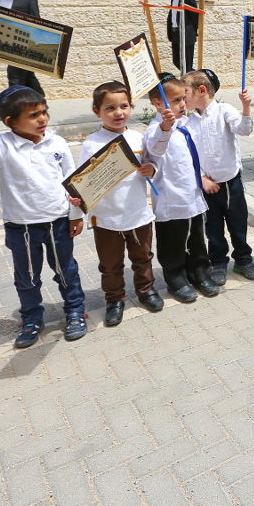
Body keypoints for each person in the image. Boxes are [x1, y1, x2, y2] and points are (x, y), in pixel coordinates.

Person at [0, 86, 88, 349]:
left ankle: (75, 310)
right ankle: (31, 318)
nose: (42, 119)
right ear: (10, 122)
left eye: (44, 112)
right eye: (33, 115)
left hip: (58, 221)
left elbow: (73, 181)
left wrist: (76, 214)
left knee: (66, 270)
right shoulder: (2, 146)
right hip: (22, 226)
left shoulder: (57, 142)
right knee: (27, 277)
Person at [77, 82, 163, 328]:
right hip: (106, 218)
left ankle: (146, 290)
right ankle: (114, 299)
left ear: (131, 107)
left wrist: (151, 168)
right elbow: (82, 181)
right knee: (110, 264)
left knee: (143, 256)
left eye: (124, 106)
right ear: (97, 111)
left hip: (138, 212)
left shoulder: (138, 137)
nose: (118, 113)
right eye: (110, 108)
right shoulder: (92, 143)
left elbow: (153, 162)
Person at [142, 77, 216, 303]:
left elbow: (194, 156)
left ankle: (200, 273)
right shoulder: (155, 130)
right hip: (171, 199)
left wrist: (202, 177)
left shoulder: (185, 125)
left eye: (183, 98)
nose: (183, 104)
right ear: (157, 103)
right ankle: (176, 280)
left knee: (197, 239)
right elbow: (156, 148)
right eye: (175, 100)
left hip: (192, 195)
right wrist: (165, 127)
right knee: (172, 243)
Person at [183, 69, 254, 285]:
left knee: (238, 224)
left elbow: (244, 129)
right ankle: (217, 262)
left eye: (185, 91)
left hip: (231, 182)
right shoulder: (189, 124)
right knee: (213, 228)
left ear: (202, 90)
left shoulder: (224, 110)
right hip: (208, 186)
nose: (182, 96)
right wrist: (202, 178)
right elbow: (188, 157)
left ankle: (243, 259)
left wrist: (246, 107)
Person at [164, 0, 200, 73]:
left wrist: (192, 33)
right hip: (175, 35)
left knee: (187, 64)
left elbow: (195, 18)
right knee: (176, 61)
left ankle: (191, 79)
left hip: (186, 36)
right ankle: (191, 76)